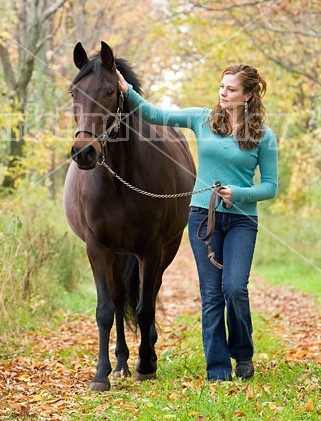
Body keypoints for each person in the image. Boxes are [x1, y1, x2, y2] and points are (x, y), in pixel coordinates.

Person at [116, 64, 278, 381]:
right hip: (203, 218)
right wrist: (126, 90)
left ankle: (243, 353)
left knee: (235, 289)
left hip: (242, 221)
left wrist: (240, 193)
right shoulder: (202, 119)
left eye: (230, 89)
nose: (223, 93)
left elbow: (270, 186)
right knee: (211, 295)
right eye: (221, 86)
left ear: (247, 96)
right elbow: (153, 114)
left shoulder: (263, 136)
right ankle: (218, 369)